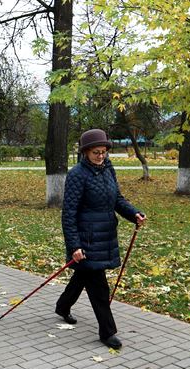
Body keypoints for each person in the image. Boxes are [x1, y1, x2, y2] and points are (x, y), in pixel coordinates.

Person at [55, 129, 146, 350]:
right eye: (96, 152)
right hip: (86, 240)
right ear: (85, 152)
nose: (101, 156)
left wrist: (133, 213)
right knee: (99, 287)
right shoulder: (77, 175)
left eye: (104, 152)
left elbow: (117, 199)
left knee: (82, 277)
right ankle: (107, 332)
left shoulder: (108, 169)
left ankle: (62, 306)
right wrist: (74, 245)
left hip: (105, 235)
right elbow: (68, 214)